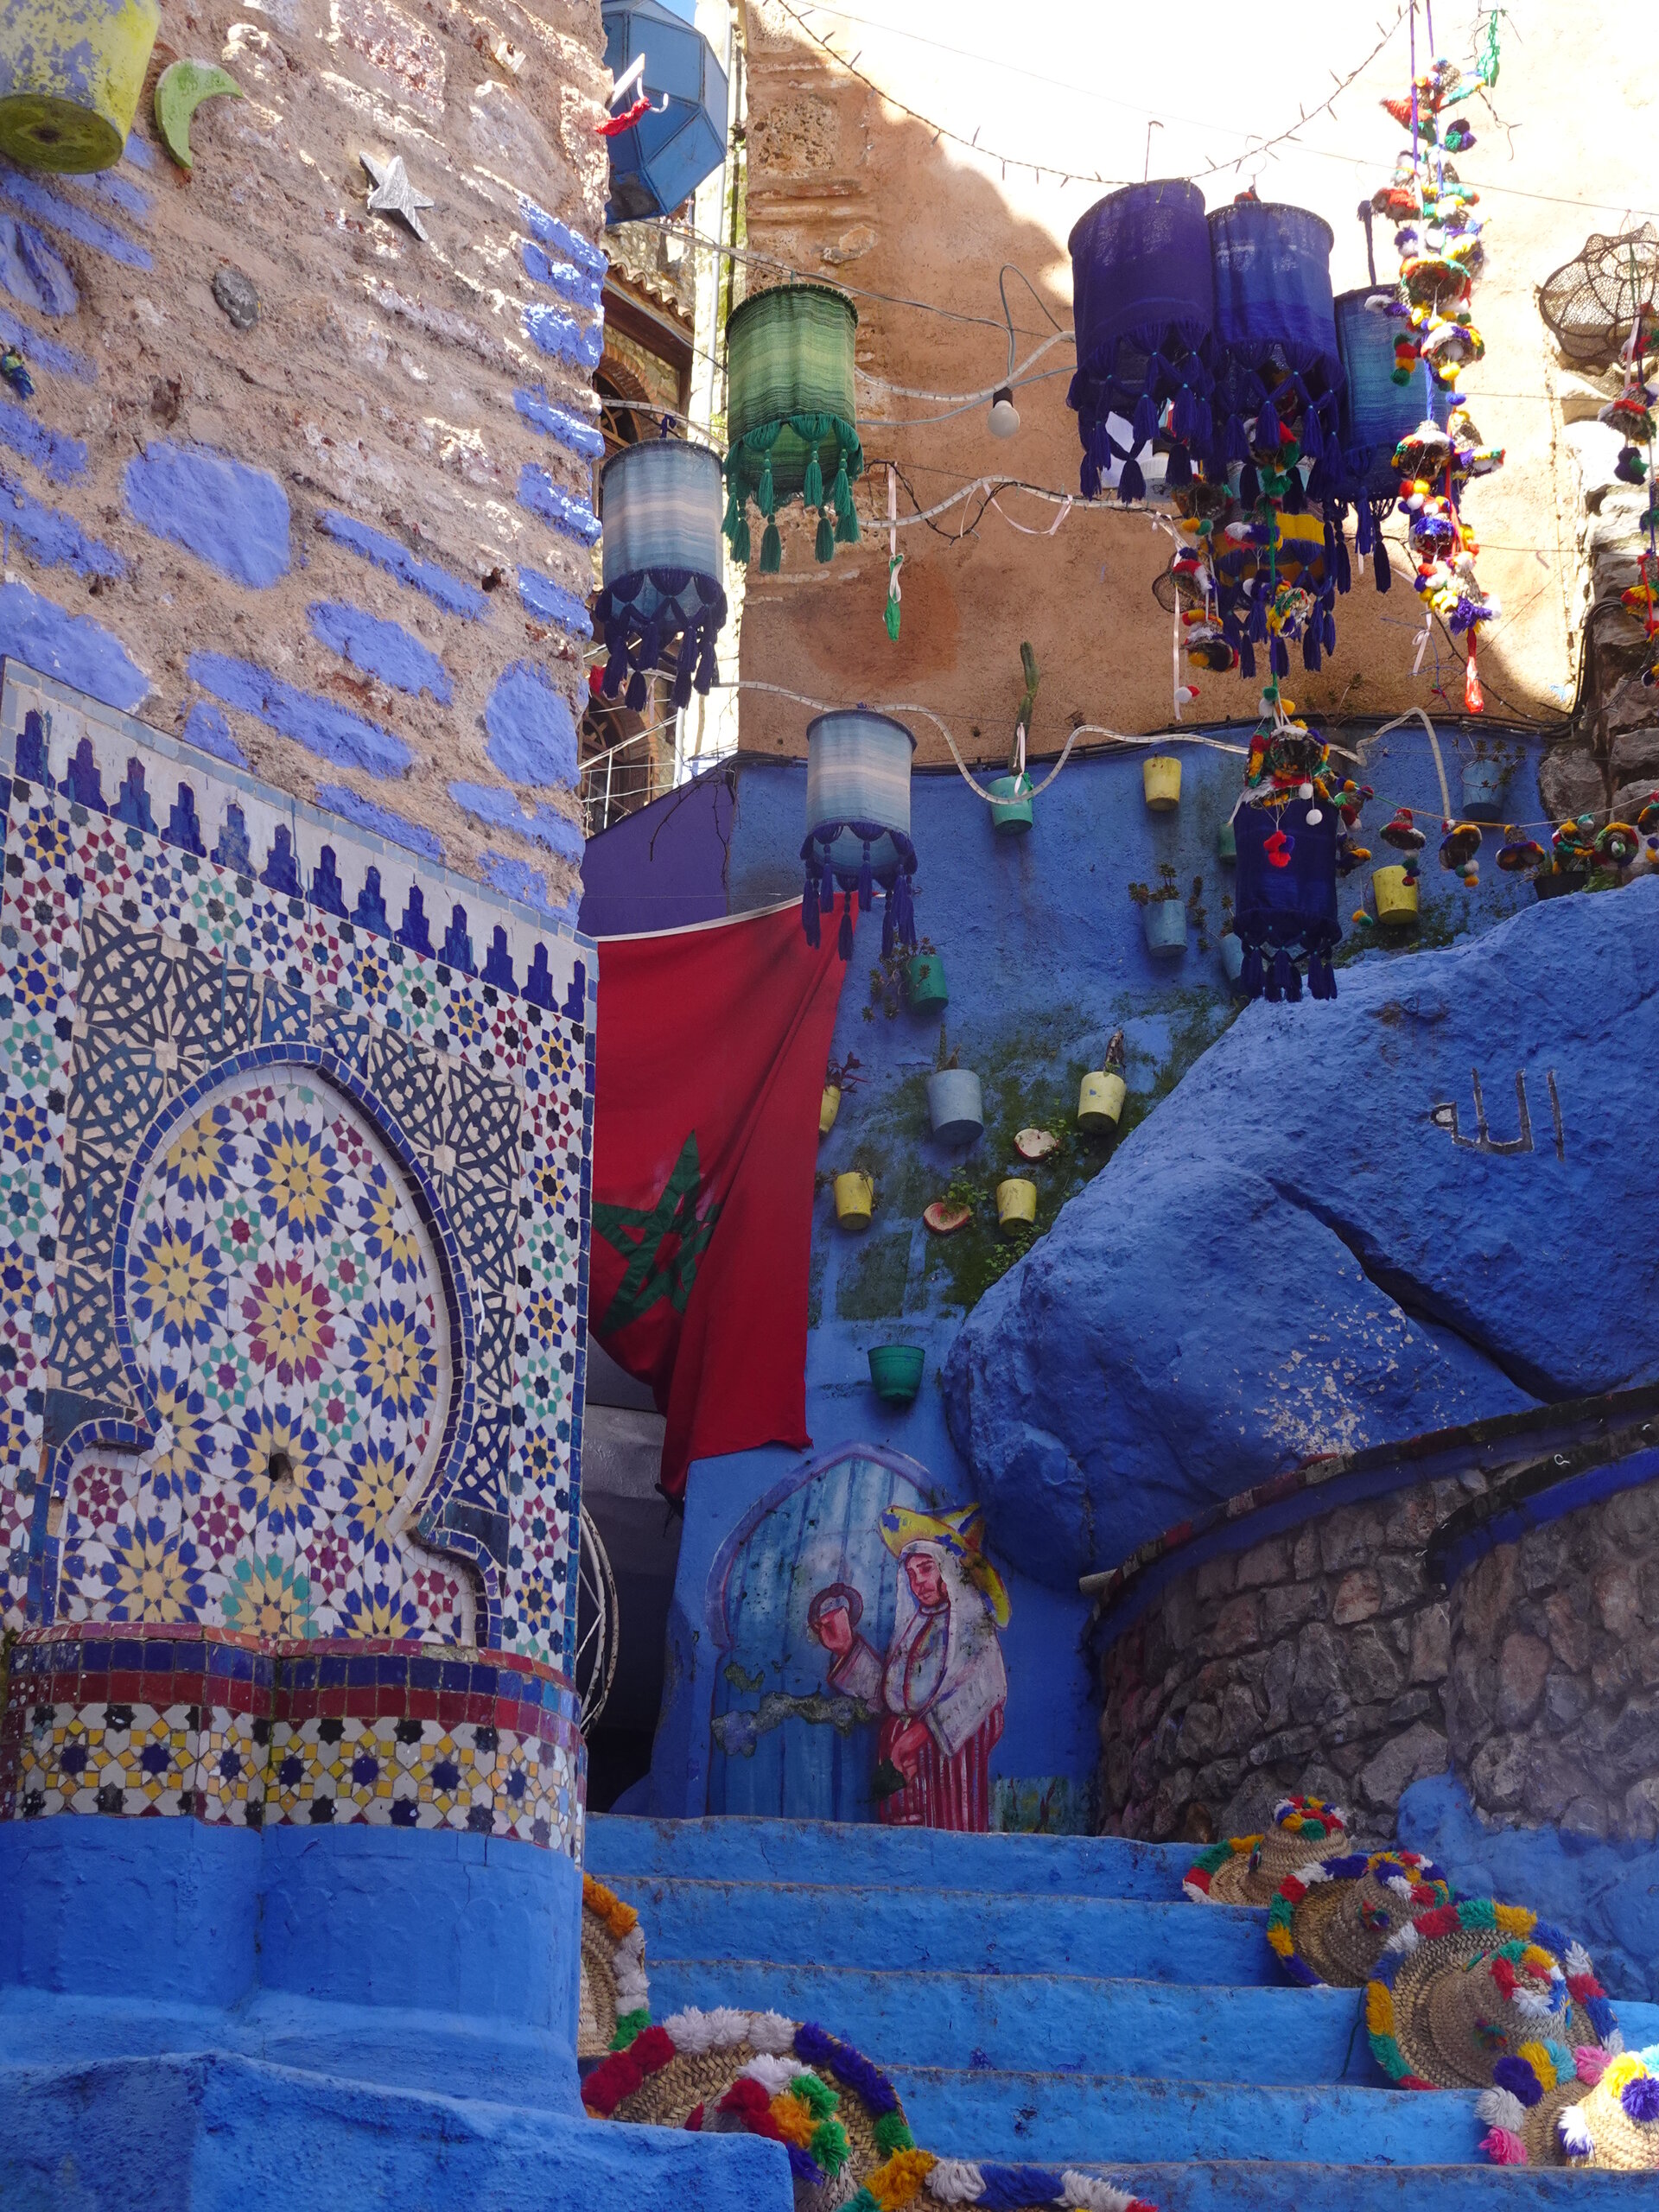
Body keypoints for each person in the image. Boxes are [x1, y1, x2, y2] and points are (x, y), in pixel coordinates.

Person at [809, 1503, 1008, 1831]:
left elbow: (985, 1690)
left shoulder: (973, 1631)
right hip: (904, 1777)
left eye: (927, 1569)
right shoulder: (916, 1627)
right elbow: (892, 1696)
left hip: (947, 1777)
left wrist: (923, 1733)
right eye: (912, 1574)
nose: (918, 1583)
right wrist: (847, 1648)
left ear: (950, 1569)